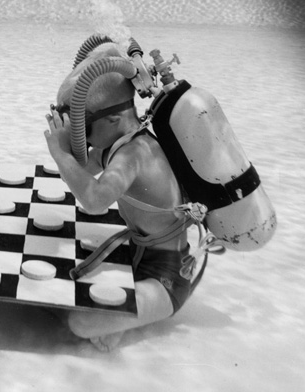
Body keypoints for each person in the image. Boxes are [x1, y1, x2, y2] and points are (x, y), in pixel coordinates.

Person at [44, 43, 197, 351]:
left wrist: (61, 154)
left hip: (168, 279)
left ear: (113, 119)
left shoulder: (134, 153)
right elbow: (81, 168)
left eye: (85, 128)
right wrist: (67, 140)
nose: (82, 137)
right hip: (136, 257)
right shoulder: (116, 143)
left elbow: (94, 201)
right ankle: (123, 317)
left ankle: (132, 320)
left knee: (80, 323)